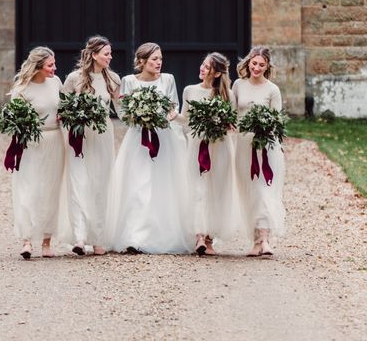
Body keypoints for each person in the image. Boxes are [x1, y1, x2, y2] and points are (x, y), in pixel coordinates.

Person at [106, 42, 193, 254]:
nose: (159, 63)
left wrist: (162, 116)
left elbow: (173, 107)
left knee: (163, 184)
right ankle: (134, 236)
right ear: (142, 61)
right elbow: (124, 113)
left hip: (164, 138)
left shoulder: (168, 79)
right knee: (137, 184)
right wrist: (140, 116)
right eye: (154, 59)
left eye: (160, 58)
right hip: (137, 139)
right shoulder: (128, 81)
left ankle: (161, 234)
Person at [62, 35, 120, 256]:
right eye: (106, 53)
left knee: (99, 184)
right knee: (79, 182)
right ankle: (79, 236)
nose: (110, 57)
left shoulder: (113, 79)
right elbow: (63, 107)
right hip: (79, 136)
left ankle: (97, 237)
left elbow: (121, 109)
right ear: (94, 55)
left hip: (103, 135)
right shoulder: (73, 78)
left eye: (110, 53)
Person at [179, 52, 238, 256]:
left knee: (216, 191)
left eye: (207, 67)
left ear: (217, 73)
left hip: (220, 147)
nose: (202, 69)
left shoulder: (227, 95)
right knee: (198, 189)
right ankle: (199, 235)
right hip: (197, 146)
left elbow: (233, 125)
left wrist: (221, 124)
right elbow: (185, 119)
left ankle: (211, 238)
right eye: (202, 64)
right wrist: (171, 116)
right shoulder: (189, 91)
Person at [9, 46, 64, 259]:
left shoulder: (56, 83)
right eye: (50, 65)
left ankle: (47, 242)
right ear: (38, 66)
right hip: (31, 143)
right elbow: (14, 119)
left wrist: (63, 115)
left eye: (54, 63)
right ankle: (26, 240)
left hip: (54, 141)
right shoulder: (21, 88)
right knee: (29, 189)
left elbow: (62, 107)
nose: (54, 68)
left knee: (51, 190)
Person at [232, 46, 286, 257]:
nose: (256, 68)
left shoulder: (273, 90)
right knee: (250, 191)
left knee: (264, 190)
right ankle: (255, 240)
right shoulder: (238, 85)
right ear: (248, 63)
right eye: (254, 63)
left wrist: (265, 130)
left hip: (265, 145)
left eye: (261, 65)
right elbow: (233, 113)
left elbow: (277, 119)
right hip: (244, 145)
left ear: (267, 66)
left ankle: (265, 239)